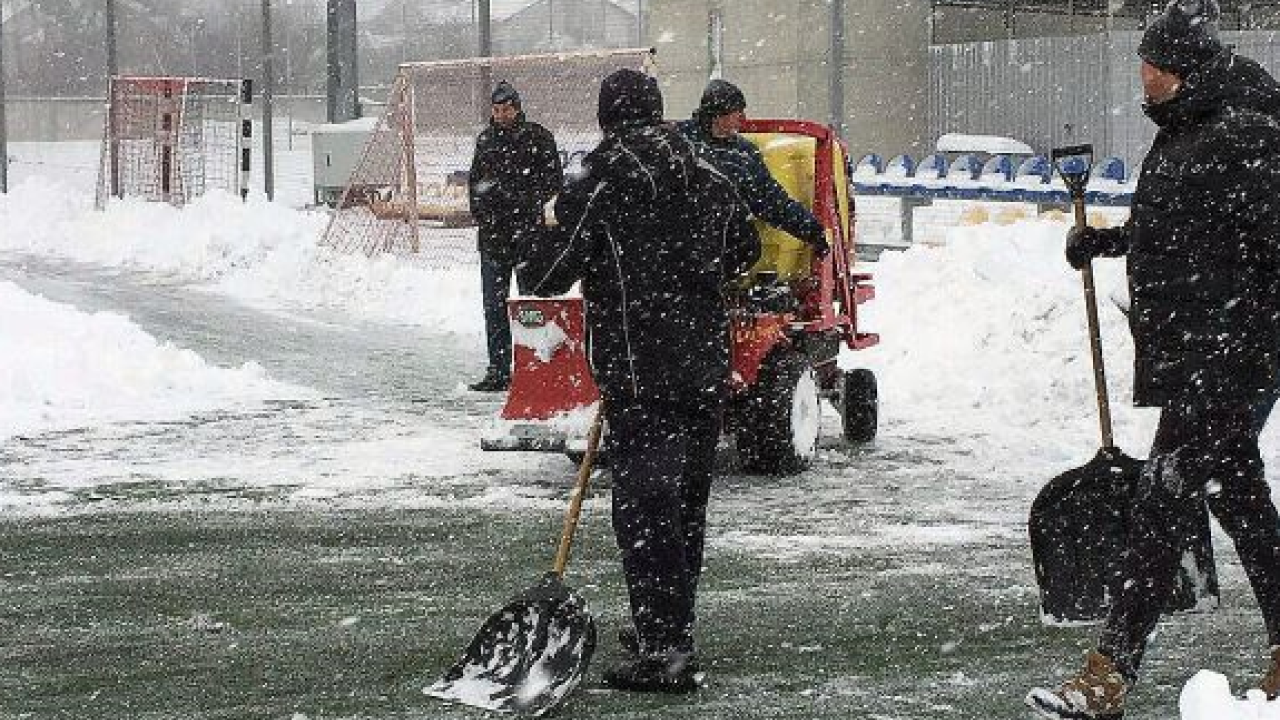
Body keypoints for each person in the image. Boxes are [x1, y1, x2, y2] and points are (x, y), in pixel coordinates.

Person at [1026, 2, 1280, 718]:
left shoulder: (1245, 135)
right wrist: (1110, 242)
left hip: (1226, 358)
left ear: (1186, 70)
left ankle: (1107, 677)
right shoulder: (1189, 130)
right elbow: (1182, 228)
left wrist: (1246, 339)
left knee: (1161, 504)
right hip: (1200, 355)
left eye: (1154, 66)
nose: (1144, 76)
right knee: (1241, 503)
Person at [519, 68, 759, 693]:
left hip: (640, 369)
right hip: (704, 365)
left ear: (606, 117)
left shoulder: (601, 182)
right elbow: (745, 248)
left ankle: (665, 648)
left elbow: (544, 277)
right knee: (684, 504)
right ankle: (670, 623)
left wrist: (540, 228)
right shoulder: (706, 171)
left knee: (644, 508)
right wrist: (688, 273)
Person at [466, 80, 562, 392]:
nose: (502, 115)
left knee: (530, 305)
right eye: (496, 110)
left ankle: (533, 366)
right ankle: (499, 367)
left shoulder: (538, 138)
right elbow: (475, 186)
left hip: (528, 237)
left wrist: (524, 209)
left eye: (506, 109)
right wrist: (487, 217)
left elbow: (552, 182)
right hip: (494, 238)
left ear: (517, 108)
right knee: (494, 306)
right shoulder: (486, 141)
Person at [676, 79, 830, 258]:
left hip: (695, 247)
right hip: (692, 243)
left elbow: (771, 199)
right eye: (737, 112)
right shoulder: (681, 144)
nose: (743, 119)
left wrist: (812, 230)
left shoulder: (742, 152)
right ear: (719, 115)